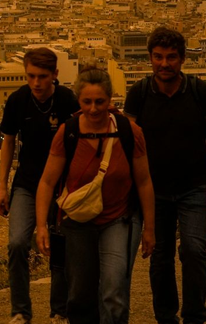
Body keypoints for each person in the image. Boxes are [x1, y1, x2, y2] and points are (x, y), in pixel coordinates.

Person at [124, 27, 206, 324]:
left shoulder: (199, 92)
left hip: (195, 186)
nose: (164, 64)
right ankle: (166, 317)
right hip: (153, 190)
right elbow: (125, 140)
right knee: (159, 257)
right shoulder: (140, 93)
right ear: (150, 58)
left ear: (182, 59)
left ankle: (195, 316)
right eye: (158, 57)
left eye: (171, 57)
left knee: (194, 250)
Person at [36, 67, 155, 324]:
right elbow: (47, 182)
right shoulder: (68, 132)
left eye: (100, 101)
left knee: (114, 287)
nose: (93, 109)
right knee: (80, 291)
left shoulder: (129, 132)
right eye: (87, 102)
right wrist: (41, 226)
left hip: (118, 218)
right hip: (78, 221)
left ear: (110, 99)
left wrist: (149, 228)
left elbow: (144, 181)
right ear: (78, 101)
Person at [0, 48, 79, 324]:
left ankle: (59, 311)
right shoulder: (17, 100)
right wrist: (2, 186)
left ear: (55, 75)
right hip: (28, 184)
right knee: (18, 242)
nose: (36, 83)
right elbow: (8, 142)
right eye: (31, 76)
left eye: (42, 77)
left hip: (62, 186)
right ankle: (20, 310)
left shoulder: (67, 100)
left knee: (60, 246)